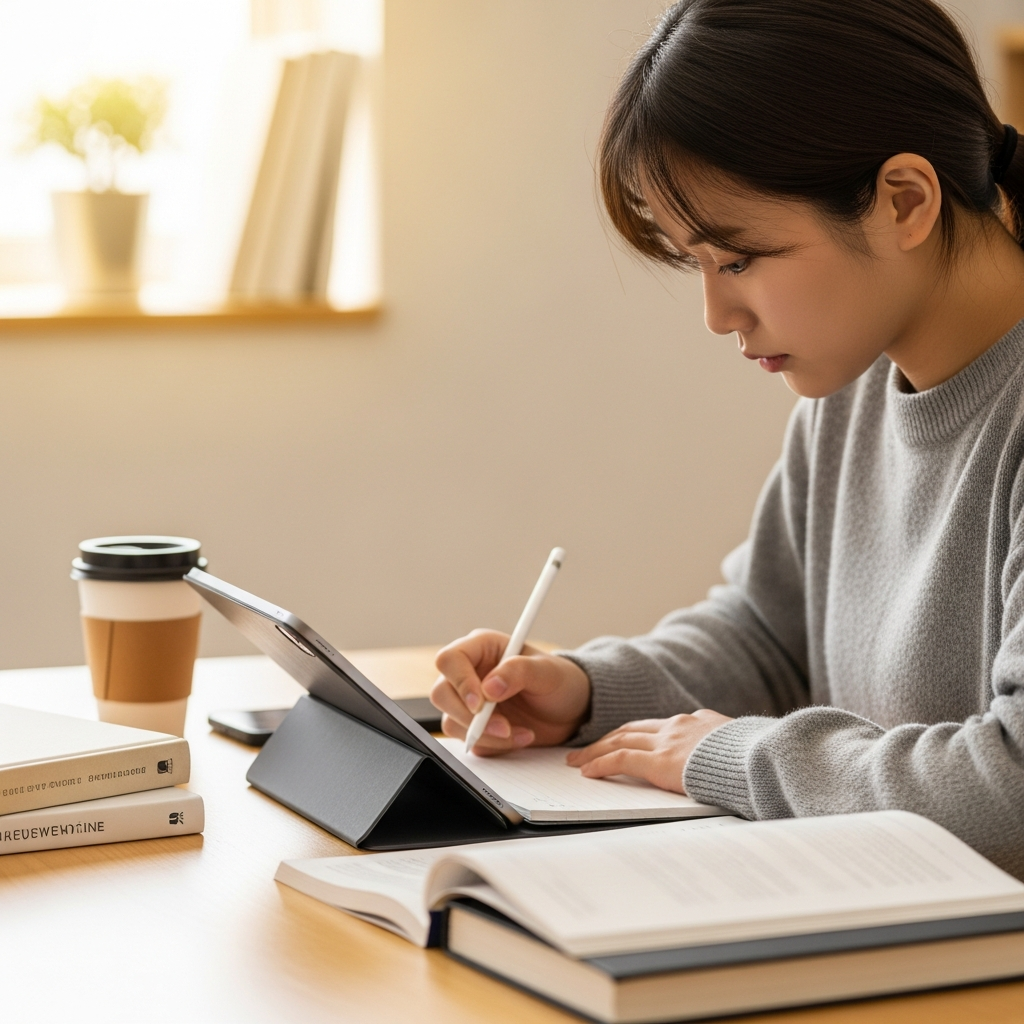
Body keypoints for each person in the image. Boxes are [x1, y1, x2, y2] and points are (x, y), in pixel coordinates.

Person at [430, 0, 1024, 877]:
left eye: (738, 259)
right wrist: (588, 690)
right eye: (696, 265)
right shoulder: (853, 387)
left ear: (905, 201)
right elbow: (766, 636)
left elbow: (1010, 791)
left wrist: (734, 755)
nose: (716, 315)